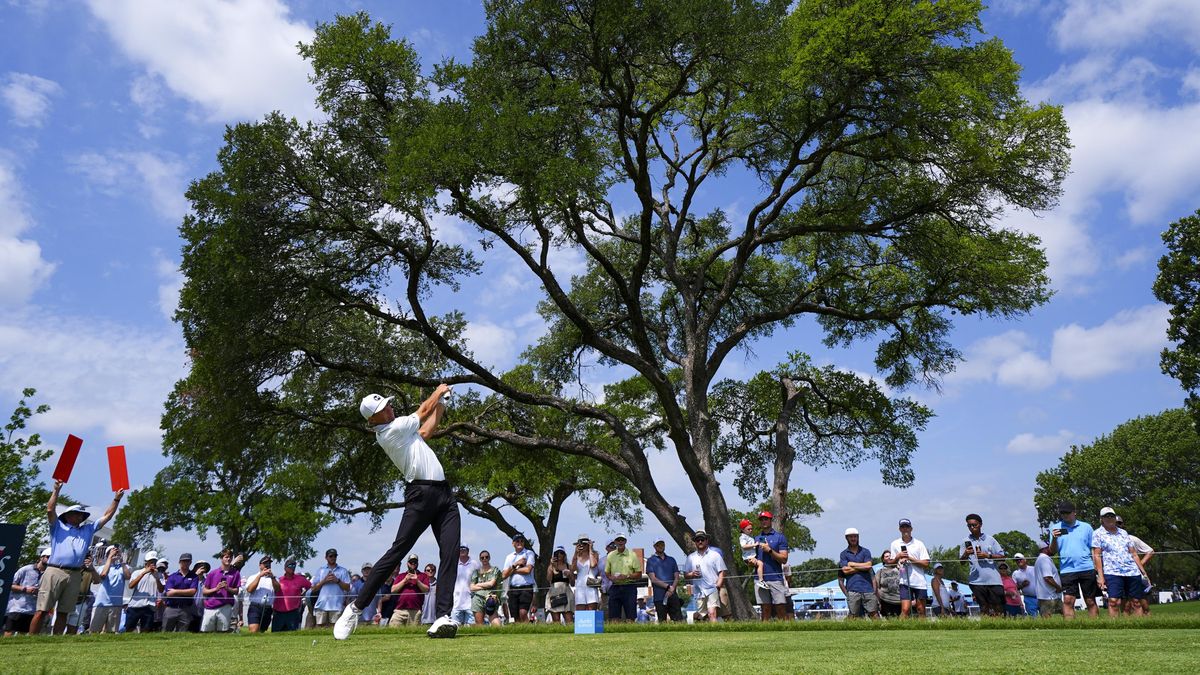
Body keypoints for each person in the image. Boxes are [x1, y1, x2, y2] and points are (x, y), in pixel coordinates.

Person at [335, 386, 462, 641]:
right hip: (420, 496)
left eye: (388, 405)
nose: (389, 409)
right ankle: (355, 608)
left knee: (450, 553)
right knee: (397, 552)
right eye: (383, 409)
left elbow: (425, 431)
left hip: (445, 496)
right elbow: (423, 411)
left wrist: (443, 404)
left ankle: (442, 617)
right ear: (373, 420)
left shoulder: (403, 431)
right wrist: (437, 392)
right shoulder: (390, 431)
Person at [30, 480, 124, 635]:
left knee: (64, 612)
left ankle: (56, 641)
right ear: (68, 516)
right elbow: (49, 509)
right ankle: (31, 638)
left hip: (74, 574)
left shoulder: (87, 530)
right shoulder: (57, 527)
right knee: (42, 609)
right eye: (76, 514)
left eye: (81, 514)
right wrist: (56, 491)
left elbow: (107, 516)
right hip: (54, 570)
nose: (80, 516)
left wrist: (116, 499)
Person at [1092, 507, 1149, 617]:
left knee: (1136, 602)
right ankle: (1113, 628)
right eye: (1106, 516)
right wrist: (1100, 576)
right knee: (1113, 601)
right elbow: (1097, 555)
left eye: (1111, 516)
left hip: (1132, 571)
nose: (1109, 518)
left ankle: (1139, 628)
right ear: (1101, 519)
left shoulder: (1123, 533)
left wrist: (1143, 571)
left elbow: (1133, 553)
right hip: (1112, 572)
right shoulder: (1097, 533)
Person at [1050, 500, 1099, 618]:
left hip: (1086, 567)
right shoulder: (1055, 528)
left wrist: (1097, 568)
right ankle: (1070, 629)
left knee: (1090, 600)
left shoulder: (1086, 527)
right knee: (1068, 600)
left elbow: (1093, 548)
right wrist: (1055, 538)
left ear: (1074, 512)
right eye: (1062, 513)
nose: (1065, 515)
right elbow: (1052, 551)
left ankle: (1096, 628)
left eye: (1067, 512)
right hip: (1067, 569)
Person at [960, 513, 1006, 617]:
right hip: (976, 581)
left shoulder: (991, 539)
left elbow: (1002, 557)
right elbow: (961, 562)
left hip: (993, 580)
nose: (972, 527)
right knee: (984, 607)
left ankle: (1000, 627)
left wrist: (987, 555)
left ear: (980, 524)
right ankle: (986, 628)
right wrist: (966, 554)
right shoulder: (965, 541)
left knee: (998, 607)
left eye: (974, 525)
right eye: (969, 525)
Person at [888, 518, 930, 618]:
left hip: (919, 581)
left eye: (907, 526)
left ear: (911, 528)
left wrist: (910, 558)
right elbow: (891, 563)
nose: (905, 529)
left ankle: (924, 631)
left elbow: (926, 563)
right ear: (899, 529)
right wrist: (898, 557)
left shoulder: (919, 543)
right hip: (904, 581)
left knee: (921, 609)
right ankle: (900, 632)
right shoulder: (894, 544)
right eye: (903, 527)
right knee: (905, 609)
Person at [754, 512, 790, 620]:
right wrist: (750, 562)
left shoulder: (779, 537)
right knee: (765, 609)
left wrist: (770, 551)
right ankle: (764, 634)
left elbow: (784, 559)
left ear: (770, 520)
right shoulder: (756, 539)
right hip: (760, 579)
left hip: (775, 577)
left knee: (780, 607)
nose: (763, 521)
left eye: (766, 519)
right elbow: (751, 558)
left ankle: (784, 632)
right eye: (761, 519)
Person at [683, 530, 726, 622]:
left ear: (707, 540)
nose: (700, 542)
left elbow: (722, 572)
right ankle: (696, 625)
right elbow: (685, 574)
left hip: (712, 588)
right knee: (700, 615)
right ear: (695, 542)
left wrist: (718, 585)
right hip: (698, 591)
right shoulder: (691, 557)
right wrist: (692, 574)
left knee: (712, 613)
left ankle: (714, 634)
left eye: (702, 539)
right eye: (697, 540)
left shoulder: (715, 555)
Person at [4, 548, 48, 637]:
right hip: (17, 607)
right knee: (9, 631)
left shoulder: (49, 573)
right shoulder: (26, 569)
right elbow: (10, 585)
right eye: (48, 557)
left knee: (23, 635)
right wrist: (25, 589)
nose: (49, 559)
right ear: (41, 557)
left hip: (34, 610)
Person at [1117, 516, 1155, 615]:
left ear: (1123, 524)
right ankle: (1128, 626)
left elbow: (1150, 551)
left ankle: (1148, 624)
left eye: (1119, 523)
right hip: (1119, 574)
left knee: (1142, 603)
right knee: (1126, 605)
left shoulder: (1132, 538)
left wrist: (1139, 564)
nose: (1117, 525)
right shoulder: (1107, 539)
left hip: (1136, 574)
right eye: (1115, 523)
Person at [838, 527, 878, 619]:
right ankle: (847, 632)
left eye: (855, 536)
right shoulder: (843, 554)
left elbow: (868, 566)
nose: (853, 539)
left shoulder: (865, 551)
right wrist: (862, 567)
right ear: (846, 538)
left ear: (858, 537)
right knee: (853, 615)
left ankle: (882, 631)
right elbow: (845, 570)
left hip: (868, 588)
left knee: (874, 613)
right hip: (852, 589)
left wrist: (851, 564)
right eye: (850, 537)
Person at [89, 545, 129, 634]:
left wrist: (123, 563)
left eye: (116, 551)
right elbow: (103, 575)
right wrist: (110, 559)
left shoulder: (122, 567)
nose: (115, 553)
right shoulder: (101, 567)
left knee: (111, 632)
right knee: (94, 631)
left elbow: (127, 576)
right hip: (101, 603)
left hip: (116, 604)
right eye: (112, 551)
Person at [604, 534, 643, 623]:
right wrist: (611, 578)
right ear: (615, 542)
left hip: (629, 586)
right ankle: (615, 634)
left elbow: (639, 574)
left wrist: (627, 576)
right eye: (618, 540)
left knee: (630, 616)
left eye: (622, 540)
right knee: (614, 616)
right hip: (615, 586)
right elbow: (607, 572)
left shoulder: (632, 555)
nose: (620, 542)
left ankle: (630, 634)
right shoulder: (610, 555)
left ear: (625, 541)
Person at [201, 549, 241, 632]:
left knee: (223, 632)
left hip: (226, 606)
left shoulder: (235, 573)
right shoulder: (213, 573)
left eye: (230, 557)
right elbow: (204, 591)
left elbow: (236, 591)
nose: (229, 559)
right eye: (226, 557)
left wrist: (227, 588)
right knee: (206, 632)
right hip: (211, 606)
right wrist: (216, 589)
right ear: (221, 558)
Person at [645, 538, 682, 622]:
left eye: (662, 544)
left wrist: (672, 589)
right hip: (659, 597)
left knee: (678, 620)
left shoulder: (672, 560)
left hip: (672, 595)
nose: (660, 546)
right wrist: (668, 587)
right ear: (654, 547)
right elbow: (653, 579)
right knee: (662, 621)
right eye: (658, 545)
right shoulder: (651, 561)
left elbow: (676, 577)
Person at [502, 533, 537, 623]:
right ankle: (521, 633)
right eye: (517, 541)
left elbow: (528, 570)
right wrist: (516, 564)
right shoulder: (509, 557)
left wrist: (512, 571)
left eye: (522, 540)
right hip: (513, 589)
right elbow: (504, 575)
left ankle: (529, 632)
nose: (520, 542)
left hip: (526, 587)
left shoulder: (529, 553)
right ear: (513, 543)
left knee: (523, 613)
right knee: (514, 616)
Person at [125, 551, 163, 633]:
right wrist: (143, 573)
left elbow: (161, 590)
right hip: (135, 605)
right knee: (129, 628)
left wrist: (157, 578)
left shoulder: (159, 575)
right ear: (146, 562)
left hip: (150, 606)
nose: (153, 563)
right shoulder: (137, 572)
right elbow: (131, 586)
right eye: (151, 561)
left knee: (146, 630)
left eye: (154, 561)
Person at [312, 548, 351, 628]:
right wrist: (324, 580)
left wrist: (337, 581)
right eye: (331, 556)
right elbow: (313, 588)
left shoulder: (343, 571)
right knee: (320, 628)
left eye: (335, 556)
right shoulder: (321, 570)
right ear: (326, 558)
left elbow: (348, 588)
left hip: (336, 605)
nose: (333, 558)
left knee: (335, 628)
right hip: (322, 604)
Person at [388, 554, 430, 627]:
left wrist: (417, 581)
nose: (413, 564)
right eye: (411, 562)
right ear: (407, 563)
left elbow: (426, 590)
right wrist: (405, 580)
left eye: (415, 562)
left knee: (413, 634)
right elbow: (393, 590)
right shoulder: (401, 576)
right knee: (393, 631)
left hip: (415, 611)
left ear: (418, 563)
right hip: (399, 610)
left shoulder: (423, 576)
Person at [161, 552, 199, 632]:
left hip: (186, 609)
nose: (185, 563)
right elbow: (169, 593)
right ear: (179, 562)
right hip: (171, 608)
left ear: (190, 562)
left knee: (182, 634)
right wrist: (185, 591)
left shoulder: (194, 576)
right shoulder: (172, 576)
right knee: (165, 632)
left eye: (187, 561)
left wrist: (175, 591)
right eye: (183, 561)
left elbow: (192, 591)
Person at [271, 558, 311, 632]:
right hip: (278, 613)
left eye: (294, 566)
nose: (292, 568)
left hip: (293, 613)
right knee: (276, 634)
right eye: (290, 566)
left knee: (292, 635)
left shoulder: (300, 579)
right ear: (285, 568)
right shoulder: (279, 580)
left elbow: (310, 587)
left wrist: (303, 595)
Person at [243, 556, 280, 633]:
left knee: (262, 631)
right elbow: (249, 589)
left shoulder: (274, 578)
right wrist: (260, 576)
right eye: (265, 563)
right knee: (254, 630)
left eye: (269, 563)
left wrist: (272, 577)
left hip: (267, 608)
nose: (267, 565)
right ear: (260, 565)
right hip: (255, 607)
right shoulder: (253, 577)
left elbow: (278, 589)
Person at [64, 554, 96, 635]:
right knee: (60, 627)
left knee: (73, 629)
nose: (86, 560)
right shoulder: (70, 567)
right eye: (84, 558)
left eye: (88, 559)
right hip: (65, 601)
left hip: (81, 603)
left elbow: (97, 580)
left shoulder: (90, 571)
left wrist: (92, 569)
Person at [469, 550, 502, 627]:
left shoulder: (495, 569)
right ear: (480, 559)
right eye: (482, 557)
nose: (484, 559)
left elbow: (491, 584)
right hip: (477, 598)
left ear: (489, 558)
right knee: (479, 624)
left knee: (496, 624)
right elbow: (472, 587)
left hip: (490, 598)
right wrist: (485, 585)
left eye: (486, 557)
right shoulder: (476, 572)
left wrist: (478, 584)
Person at [570, 535, 601, 612]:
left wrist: (590, 549)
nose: (582, 546)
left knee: (592, 610)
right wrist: (575, 553)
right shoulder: (577, 556)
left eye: (584, 544)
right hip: (580, 585)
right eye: (580, 544)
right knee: (580, 610)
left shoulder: (594, 554)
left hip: (591, 584)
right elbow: (573, 569)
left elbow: (593, 565)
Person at [1033, 540, 1063, 617]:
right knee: (1048, 617)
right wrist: (1058, 587)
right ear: (1045, 548)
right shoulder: (1044, 559)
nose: (1053, 549)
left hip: (1047, 595)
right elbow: (1047, 578)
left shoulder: (1040, 559)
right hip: (1049, 596)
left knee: (1065, 612)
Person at [546, 546, 573, 624]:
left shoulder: (568, 566)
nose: (559, 555)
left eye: (561, 553)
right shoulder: (551, 566)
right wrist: (552, 565)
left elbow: (573, 583)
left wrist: (570, 575)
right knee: (556, 620)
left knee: (569, 619)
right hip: (555, 592)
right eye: (557, 553)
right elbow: (549, 579)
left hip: (566, 591)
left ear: (564, 555)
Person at [452, 546, 478, 625]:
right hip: (456, 602)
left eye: (464, 549)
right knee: (455, 626)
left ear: (468, 551)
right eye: (460, 549)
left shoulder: (475, 564)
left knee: (471, 628)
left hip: (470, 602)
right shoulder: (454, 563)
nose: (462, 551)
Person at [738, 519, 765, 590]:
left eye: (751, 529)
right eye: (748, 529)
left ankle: (761, 580)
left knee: (760, 564)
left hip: (752, 556)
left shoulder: (749, 536)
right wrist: (754, 545)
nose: (751, 530)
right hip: (748, 557)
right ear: (743, 530)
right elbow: (743, 546)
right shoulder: (743, 537)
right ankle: (761, 580)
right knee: (760, 564)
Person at [874, 551, 902, 618]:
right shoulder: (880, 571)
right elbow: (876, 587)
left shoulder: (900, 569)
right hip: (885, 600)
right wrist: (878, 602)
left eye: (890, 556)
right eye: (886, 556)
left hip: (899, 601)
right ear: (883, 559)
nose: (889, 557)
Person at [190, 560, 211, 632]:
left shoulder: (207, 581)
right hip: (190, 610)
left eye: (204, 567)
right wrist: (196, 575)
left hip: (202, 610)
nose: (202, 569)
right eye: (200, 567)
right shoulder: (191, 579)